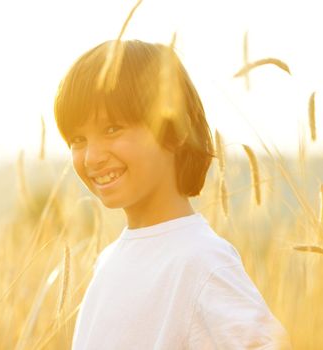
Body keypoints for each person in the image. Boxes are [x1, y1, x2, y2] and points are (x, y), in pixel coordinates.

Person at [53, 39, 291, 349]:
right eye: (78, 139)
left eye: (112, 129)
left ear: (175, 129)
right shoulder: (108, 260)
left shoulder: (202, 260)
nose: (92, 157)